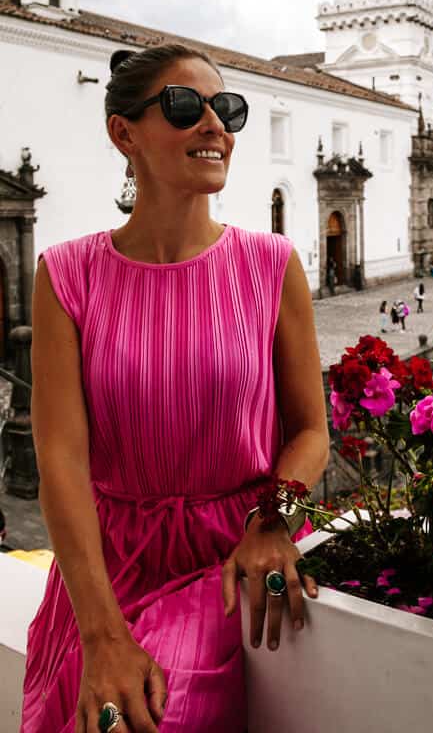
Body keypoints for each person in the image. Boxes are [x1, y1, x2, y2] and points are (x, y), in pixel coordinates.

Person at [22, 44, 330, 732]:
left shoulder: (272, 264)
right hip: (105, 569)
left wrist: (271, 520)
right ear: (123, 133)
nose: (214, 125)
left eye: (227, 110)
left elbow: (312, 431)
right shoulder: (66, 276)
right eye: (184, 107)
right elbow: (61, 464)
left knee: (149, 717)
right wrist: (101, 634)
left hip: (226, 557)